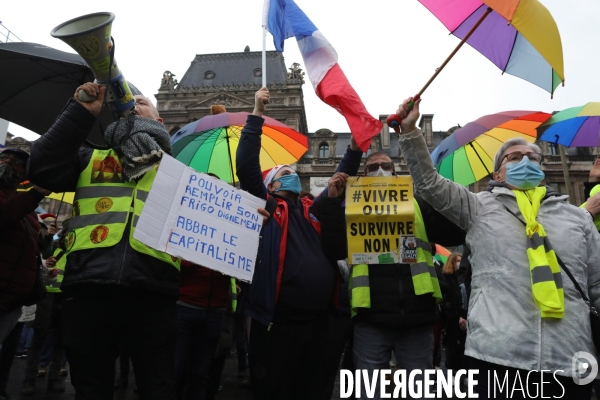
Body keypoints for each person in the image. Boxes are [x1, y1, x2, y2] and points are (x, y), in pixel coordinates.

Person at [395, 96, 600, 398]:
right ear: (497, 174)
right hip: (498, 357)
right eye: (515, 158)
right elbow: (429, 183)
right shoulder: (478, 207)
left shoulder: (578, 219)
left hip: (569, 358)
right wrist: (410, 131)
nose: (526, 161)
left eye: (533, 157)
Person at [28, 83, 181, 400]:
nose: (133, 105)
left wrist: (249, 222)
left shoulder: (181, 174)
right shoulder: (89, 155)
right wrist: (80, 113)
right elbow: (41, 167)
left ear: (160, 120)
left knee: (159, 389)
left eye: (140, 101)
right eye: (128, 102)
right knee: (90, 389)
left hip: (155, 293)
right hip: (88, 290)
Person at [317, 150, 466, 399]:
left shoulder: (417, 202)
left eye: (385, 165)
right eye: (372, 167)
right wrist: (332, 202)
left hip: (417, 315)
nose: (380, 170)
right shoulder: (351, 208)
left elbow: (455, 233)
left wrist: (436, 195)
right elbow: (334, 249)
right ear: (362, 176)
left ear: (395, 173)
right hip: (371, 317)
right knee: (369, 392)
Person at [235, 87, 352, 399]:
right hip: (278, 324)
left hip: (317, 324)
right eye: (285, 173)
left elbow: (339, 179)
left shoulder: (312, 209)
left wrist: (355, 145)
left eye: (294, 172)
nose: (293, 176)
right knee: (277, 389)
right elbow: (246, 164)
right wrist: (257, 113)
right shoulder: (268, 206)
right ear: (271, 184)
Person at [0, 147, 50, 343]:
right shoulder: (26, 202)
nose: (7, 163)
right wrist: (35, 194)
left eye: (16, 162)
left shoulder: (29, 212)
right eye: (4, 158)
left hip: (12, 303)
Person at [20, 223, 69, 395]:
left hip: (65, 296)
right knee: (39, 338)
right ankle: (29, 380)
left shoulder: (76, 249)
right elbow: (39, 258)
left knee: (60, 340)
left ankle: (54, 379)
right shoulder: (51, 245)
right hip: (46, 295)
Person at [439, 252, 467, 371]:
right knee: (451, 345)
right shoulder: (446, 277)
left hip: (458, 314)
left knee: (460, 346)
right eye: (457, 261)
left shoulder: (459, 277)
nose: (459, 263)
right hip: (450, 316)